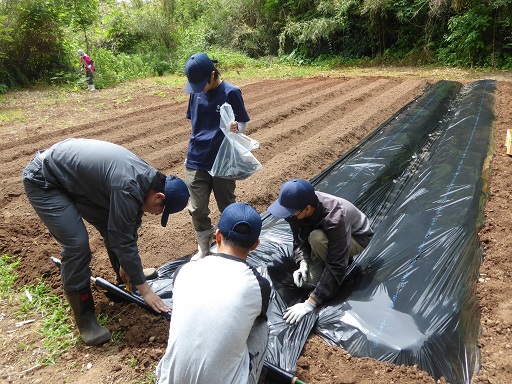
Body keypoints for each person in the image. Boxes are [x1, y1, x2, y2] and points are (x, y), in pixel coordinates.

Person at [22, 138, 190, 346]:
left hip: (71, 176)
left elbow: (128, 226)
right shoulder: (128, 185)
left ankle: (124, 278)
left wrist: (126, 266)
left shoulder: (146, 181)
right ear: (159, 196)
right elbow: (122, 239)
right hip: (44, 179)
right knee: (77, 245)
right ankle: (85, 320)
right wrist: (146, 291)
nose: (157, 215)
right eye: (161, 210)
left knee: (112, 223)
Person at [155, 202, 270, 384]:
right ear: (255, 245)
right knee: (261, 326)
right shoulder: (258, 284)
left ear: (217, 236)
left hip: (169, 380)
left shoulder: (184, 271)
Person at [268, 178, 374, 324]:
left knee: (316, 238)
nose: (288, 218)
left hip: (357, 237)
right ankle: (321, 258)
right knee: (307, 281)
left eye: (291, 215)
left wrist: (311, 303)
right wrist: (303, 262)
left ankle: (345, 262)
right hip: (327, 233)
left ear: (308, 208)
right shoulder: (297, 207)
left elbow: (336, 264)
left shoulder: (335, 217)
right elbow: (298, 238)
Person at [183, 52, 250, 260]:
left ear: (212, 75)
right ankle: (204, 246)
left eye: (202, 83)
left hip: (222, 161)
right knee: (197, 208)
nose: (198, 89)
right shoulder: (196, 91)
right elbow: (193, 120)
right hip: (196, 159)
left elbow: (243, 123)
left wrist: (235, 127)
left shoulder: (230, 92)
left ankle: (230, 247)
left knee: (227, 206)